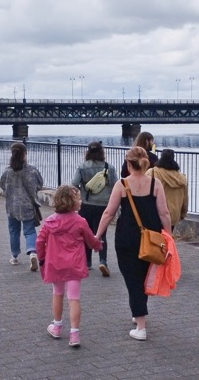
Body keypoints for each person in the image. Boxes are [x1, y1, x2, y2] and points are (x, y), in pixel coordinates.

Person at [95, 146, 171, 341]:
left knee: (132, 279)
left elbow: (108, 213)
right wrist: (168, 238)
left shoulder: (122, 185)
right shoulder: (156, 184)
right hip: (152, 238)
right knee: (144, 276)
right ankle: (138, 312)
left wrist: (97, 235)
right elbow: (164, 213)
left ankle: (141, 325)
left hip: (126, 238)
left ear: (128, 164)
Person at [36, 185, 102, 347]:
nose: (81, 201)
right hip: (74, 264)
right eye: (78, 198)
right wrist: (98, 245)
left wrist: (42, 258)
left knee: (57, 293)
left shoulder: (49, 222)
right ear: (72, 202)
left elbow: (39, 242)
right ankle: (74, 334)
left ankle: (57, 326)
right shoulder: (80, 221)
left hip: (55, 263)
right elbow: (90, 239)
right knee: (74, 298)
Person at [71, 141, 118, 276]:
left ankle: (87, 262)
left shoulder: (82, 167)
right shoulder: (109, 167)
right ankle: (103, 260)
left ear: (88, 152)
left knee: (86, 234)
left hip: (86, 204)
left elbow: (74, 185)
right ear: (102, 152)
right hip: (104, 206)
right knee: (101, 233)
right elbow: (115, 185)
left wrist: (82, 193)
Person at [0, 142, 44, 271]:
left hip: (11, 206)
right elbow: (40, 184)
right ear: (25, 154)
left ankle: (14, 256)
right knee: (29, 230)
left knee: (14, 231)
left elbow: (2, 185)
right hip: (27, 205)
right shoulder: (32, 170)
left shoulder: (7, 171)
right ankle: (32, 253)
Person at [145, 149, 188, 232]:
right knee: (167, 239)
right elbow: (185, 198)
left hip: (155, 214)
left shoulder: (153, 173)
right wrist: (183, 213)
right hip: (173, 216)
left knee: (154, 241)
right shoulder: (181, 178)